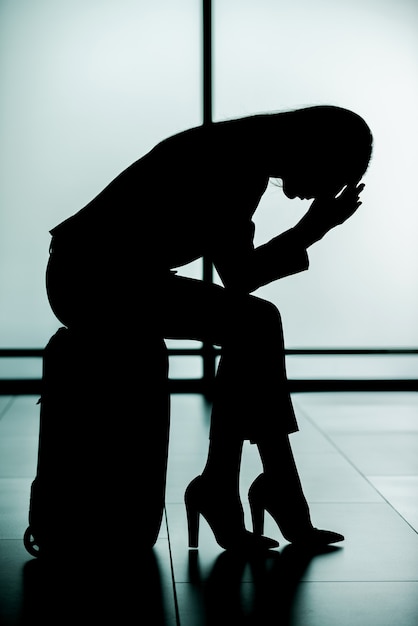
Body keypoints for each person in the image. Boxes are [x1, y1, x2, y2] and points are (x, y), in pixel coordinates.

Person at [46, 105, 373, 551]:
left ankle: (244, 487)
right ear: (314, 151)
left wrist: (310, 228)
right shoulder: (235, 164)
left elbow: (236, 274)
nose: (321, 194)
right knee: (256, 322)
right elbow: (240, 276)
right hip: (92, 281)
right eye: (332, 176)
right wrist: (311, 230)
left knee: (255, 323)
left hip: (102, 277)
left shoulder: (237, 153)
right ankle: (259, 489)